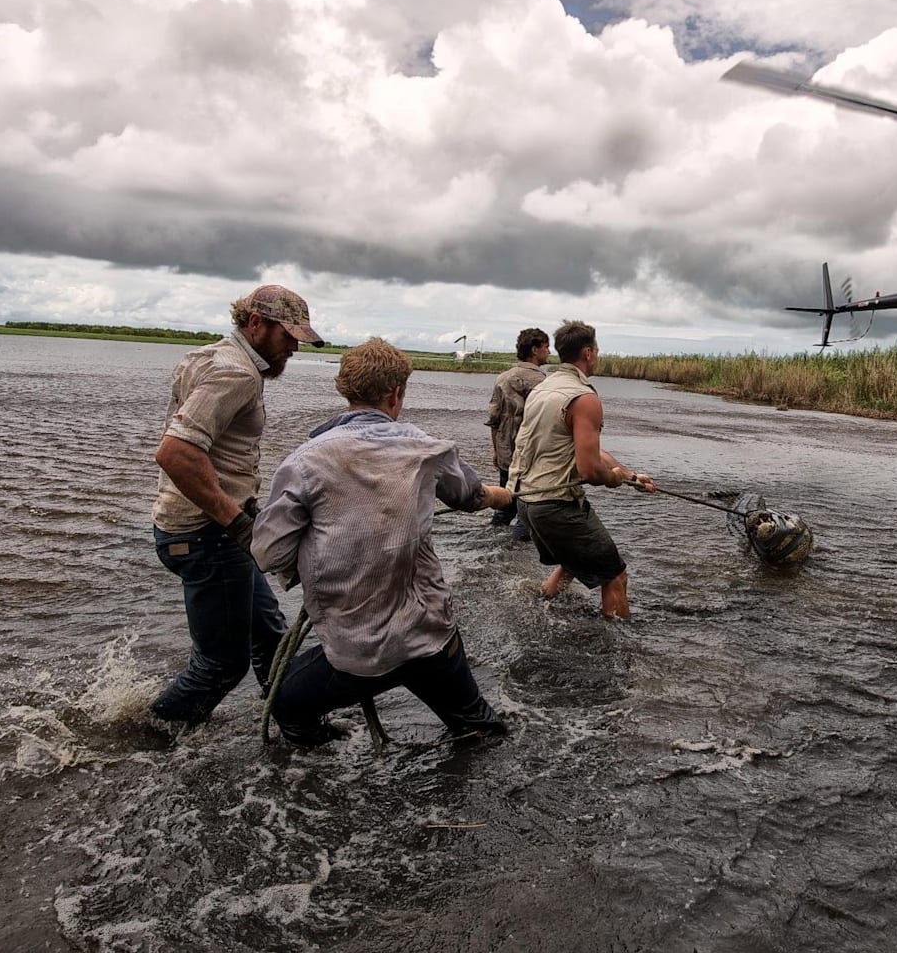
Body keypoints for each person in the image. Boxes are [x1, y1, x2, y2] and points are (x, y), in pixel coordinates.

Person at [250, 338, 513, 747]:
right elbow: (470, 496)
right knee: (481, 730)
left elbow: (268, 552)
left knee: (284, 705)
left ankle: (318, 762)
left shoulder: (306, 461)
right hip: (431, 637)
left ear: (346, 390)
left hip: (354, 652)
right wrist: (507, 495)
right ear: (396, 394)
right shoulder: (428, 449)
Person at [149, 284, 326, 725]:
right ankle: (152, 736)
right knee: (222, 665)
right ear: (255, 323)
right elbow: (175, 453)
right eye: (288, 337)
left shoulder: (207, 357)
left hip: (194, 528)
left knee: (270, 639)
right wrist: (240, 525)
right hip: (205, 534)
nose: (293, 349)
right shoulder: (237, 374)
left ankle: (295, 724)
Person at [507, 320, 656, 619]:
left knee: (573, 561)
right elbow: (589, 469)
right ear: (588, 352)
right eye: (597, 350)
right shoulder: (584, 398)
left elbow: (586, 449)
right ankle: (618, 650)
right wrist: (613, 479)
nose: (598, 356)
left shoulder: (542, 388)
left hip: (525, 501)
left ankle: (540, 610)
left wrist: (630, 477)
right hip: (555, 505)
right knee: (615, 575)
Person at [485, 327, 551, 536]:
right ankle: (514, 554)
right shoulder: (543, 382)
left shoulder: (502, 378)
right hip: (532, 455)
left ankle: (492, 543)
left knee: (506, 501)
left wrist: (496, 450)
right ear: (534, 349)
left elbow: (494, 419)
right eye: (546, 347)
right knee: (527, 507)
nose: (549, 351)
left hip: (506, 451)